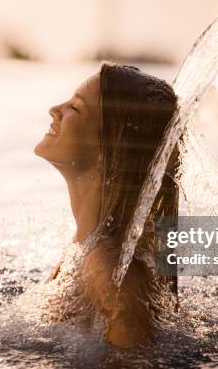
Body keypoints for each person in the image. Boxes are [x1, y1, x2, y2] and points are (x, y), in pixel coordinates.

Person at [34, 63, 180, 348]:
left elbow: (139, 367)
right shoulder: (91, 247)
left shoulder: (105, 264)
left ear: (106, 149)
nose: (55, 109)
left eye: (75, 108)